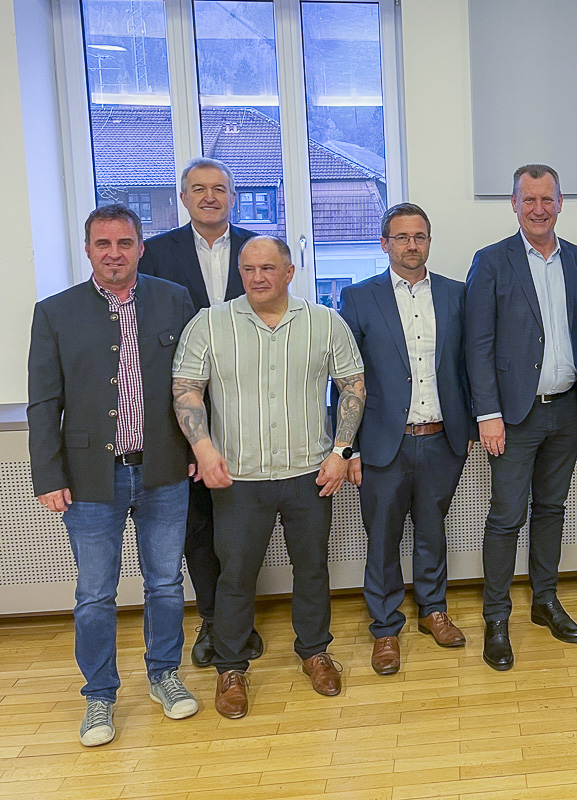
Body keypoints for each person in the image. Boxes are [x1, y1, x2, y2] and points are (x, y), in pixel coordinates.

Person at [172, 235, 366, 718]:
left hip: (309, 473)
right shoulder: (210, 323)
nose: (257, 278)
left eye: (268, 268)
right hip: (239, 478)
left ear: (289, 272)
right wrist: (203, 448)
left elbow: (353, 386)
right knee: (236, 574)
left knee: (312, 568)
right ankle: (231, 667)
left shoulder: (325, 322)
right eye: (249, 269)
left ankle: (315, 652)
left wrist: (341, 451)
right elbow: (186, 389)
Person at [28, 204, 199, 746]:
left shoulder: (174, 300)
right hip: (88, 478)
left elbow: (197, 380)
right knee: (95, 594)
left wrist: (199, 445)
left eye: (125, 243)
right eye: (103, 244)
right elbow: (43, 403)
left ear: (141, 247)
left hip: (164, 468)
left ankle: (164, 675)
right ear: (87, 250)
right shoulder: (55, 312)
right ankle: (99, 696)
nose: (114, 253)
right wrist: (47, 475)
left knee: (166, 584)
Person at [465, 164, 577, 671]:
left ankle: (545, 601)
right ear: (514, 204)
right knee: (505, 518)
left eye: (547, 200)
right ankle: (496, 618)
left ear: (560, 203)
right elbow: (477, 346)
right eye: (529, 200)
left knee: (551, 510)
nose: (538, 209)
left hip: (566, 410)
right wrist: (488, 414)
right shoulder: (491, 261)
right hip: (513, 417)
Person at [339, 203, 475, 674]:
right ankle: (385, 627)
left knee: (432, 530)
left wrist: (470, 425)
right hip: (383, 441)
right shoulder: (359, 298)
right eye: (401, 237)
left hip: (441, 438)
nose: (411, 245)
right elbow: (346, 379)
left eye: (419, 236)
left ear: (429, 242)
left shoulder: (456, 294)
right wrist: (349, 447)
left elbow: (469, 364)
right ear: (385, 243)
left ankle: (433, 610)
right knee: (382, 538)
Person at [139, 157, 261, 667]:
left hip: (247, 406)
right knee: (198, 525)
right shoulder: (155, 254)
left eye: (219, 188)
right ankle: (213, 619)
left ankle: (241, 618)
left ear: (232, 196)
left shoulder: (258, 250)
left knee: (243, 523)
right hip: (183, 411)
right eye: (198, 189)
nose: (209, 197)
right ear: (183, 198)